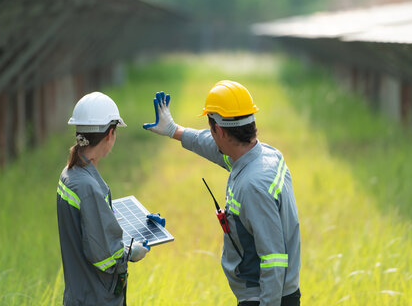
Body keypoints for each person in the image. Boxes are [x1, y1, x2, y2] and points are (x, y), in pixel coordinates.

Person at [143, 82, 301, 306]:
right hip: (273, 293)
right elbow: (214, 147)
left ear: (220, 130)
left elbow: (274, 259)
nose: (211, 134)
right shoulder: (264, 155)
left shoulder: (253, 185)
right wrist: (174, 131)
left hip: (265, 297)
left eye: (211, 129)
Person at [57, 91, 158, 306]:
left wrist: (137, 223)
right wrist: (131, 252)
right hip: (95, 298)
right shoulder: (88, 187)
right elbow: (105, 257)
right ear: (110, 133)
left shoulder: (71, 173)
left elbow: (89, 224)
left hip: (80, 293)